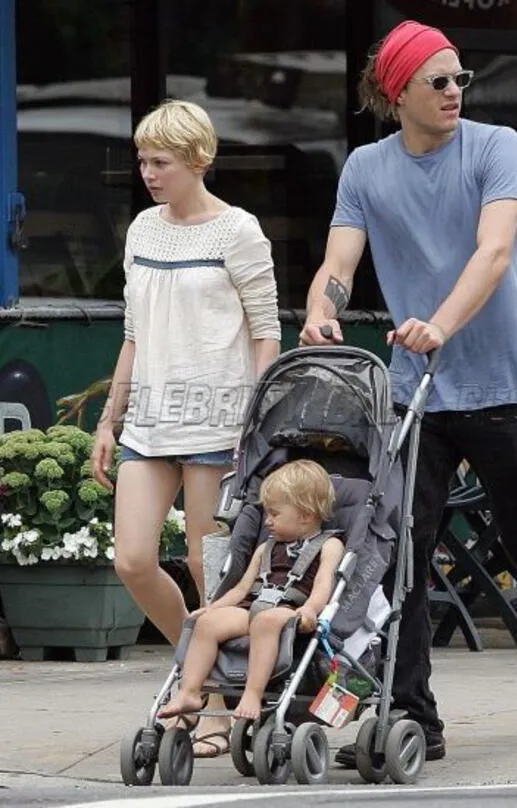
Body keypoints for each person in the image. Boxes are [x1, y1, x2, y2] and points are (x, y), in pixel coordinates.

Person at [299, 20, 517, 766]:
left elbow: (496, 250)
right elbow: (340, 259)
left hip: (504, 384)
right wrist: (322, 306)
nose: (453, 92)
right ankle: (413, 716)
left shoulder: (495, 147)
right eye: (437, 81)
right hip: (415, 395)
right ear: (395, 91)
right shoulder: (366, 169)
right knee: (401, 552)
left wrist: (439, 322)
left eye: (459, 79)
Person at [91, 99, 281, 757]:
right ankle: (190, 669)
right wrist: (110, 419)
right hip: (150, 416)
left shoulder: (239, 231)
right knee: (134, 559)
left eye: (160, 161)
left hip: (219, 418)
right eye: (142, 159)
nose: (148, 171)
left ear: (198, 160)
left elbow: (266, 334)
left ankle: (216, 704)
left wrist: (253, 420)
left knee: (209, 566)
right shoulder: (142, 228)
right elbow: (134, 334)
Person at [157, 459, 345, 721]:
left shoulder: (329, 545)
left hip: (290, 611)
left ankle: (253, 694)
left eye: (275, 514)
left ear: (305, 514)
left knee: (265, 622)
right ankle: (190, 690)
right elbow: (242, 589)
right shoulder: (265, 548)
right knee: (208, 624)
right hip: (254, 607)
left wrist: (311, 609)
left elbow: (324, 583)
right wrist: (212, 609)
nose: (267, 521)